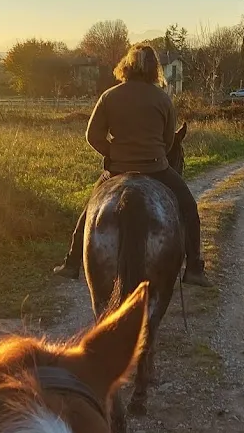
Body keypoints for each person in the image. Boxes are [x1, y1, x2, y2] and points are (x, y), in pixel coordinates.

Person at [53, 43, 211, 287]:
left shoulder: (109, 96)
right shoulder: (162, 98)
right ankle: (194, 267)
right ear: (154, 69)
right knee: (189, 207)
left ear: (125, 66)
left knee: (89, 212)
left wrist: (114, 153)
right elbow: (169, 142)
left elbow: (92, 136)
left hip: (117, 169)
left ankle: (72, 263)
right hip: (157, 169)